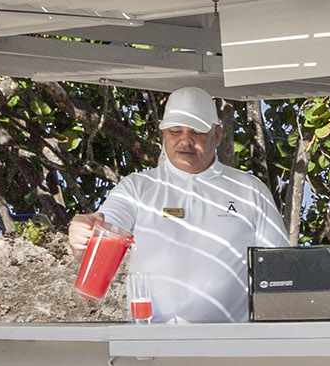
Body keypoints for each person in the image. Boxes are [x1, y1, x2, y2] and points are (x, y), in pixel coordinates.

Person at [68, 89, 291, 322]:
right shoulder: (136, 188)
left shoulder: (250, 190)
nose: (185, 140)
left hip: (231, 346)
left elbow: (279, 269)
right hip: (154, 344)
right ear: (163, 134)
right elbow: (100, 235)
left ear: (217, 134)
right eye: (176, 131)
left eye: (196, 131)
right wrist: (81, 234)